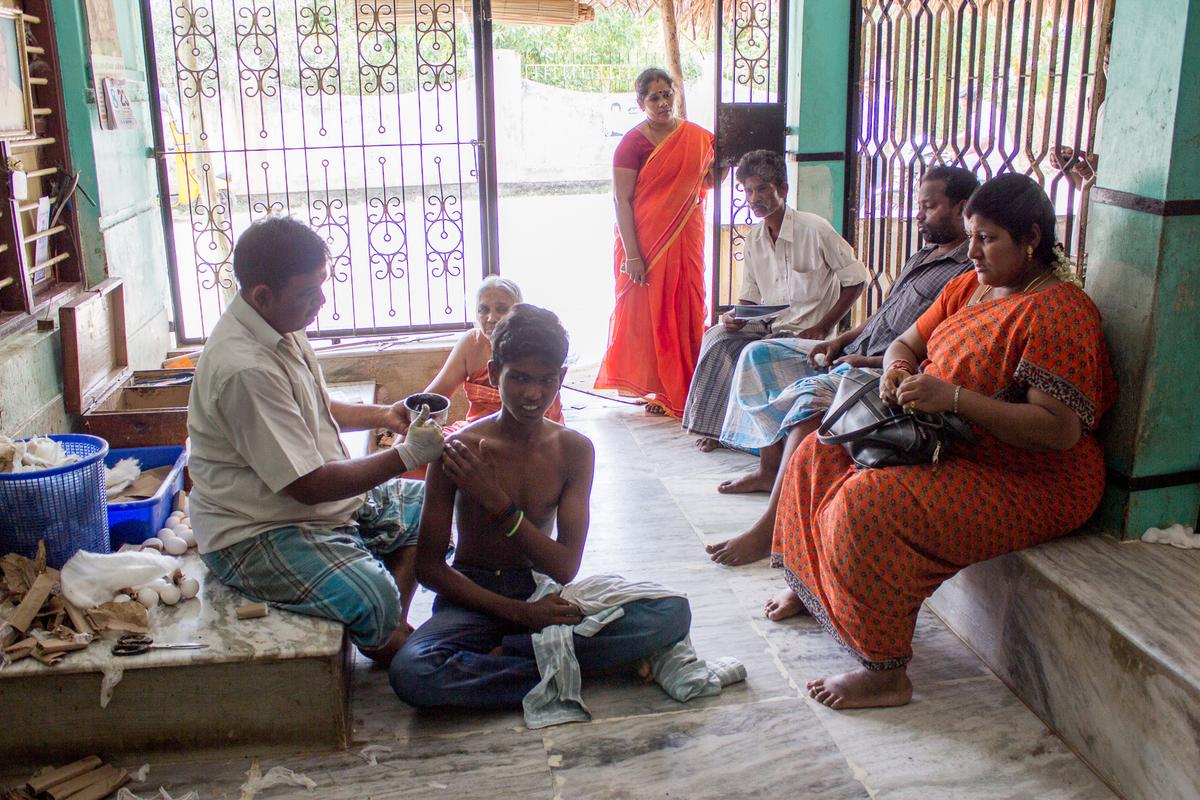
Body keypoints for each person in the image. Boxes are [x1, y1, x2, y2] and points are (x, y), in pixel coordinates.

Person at [767, 173, 1114, 710]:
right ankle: (815, 590)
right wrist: (896, 370)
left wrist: (952, 399)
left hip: (1028, 474)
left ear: (1032, 238)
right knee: (819, 451)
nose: (972, 252)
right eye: (971, 236)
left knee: (866, 506)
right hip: (943, 442)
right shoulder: (971, 286)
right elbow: (906, 342)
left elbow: (1059, 430)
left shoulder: (1059, 311)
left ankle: (885, 672)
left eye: (988, 239)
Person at [390, 305, 693, 708]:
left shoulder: (573, 450)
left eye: (546, 380)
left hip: (538, 591)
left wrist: (497, 502)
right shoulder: (458, 451)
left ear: (561, 378)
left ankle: (513, 658)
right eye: (519, 378)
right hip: (471, 597)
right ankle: (581, 664)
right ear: (494, 373)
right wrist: (519, 615)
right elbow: (430, 567)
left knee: (672, 612)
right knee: (413, 672)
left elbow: (565, 568)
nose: (533, 394)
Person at [188, 217, 445, 665]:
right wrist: (407, 455)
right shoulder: (244, 369)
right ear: (262, 296)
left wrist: (383, 415)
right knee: (373, 593)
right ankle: (389, 634)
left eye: (322, 286)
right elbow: (308, 485)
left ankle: (389, 629)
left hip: (321, 503)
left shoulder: (279, 323)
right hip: (257, 530)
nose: (321, 302)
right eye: (309, 292)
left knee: (432, 505)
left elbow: (316, 404)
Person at [706, 166, 979, 566]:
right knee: (757, 356)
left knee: (810, 404)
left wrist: (862, 356)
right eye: (918, 205)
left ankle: (771, 529)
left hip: (881, 370)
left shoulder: (966, 273)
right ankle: (768, 468)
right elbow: (883, 315)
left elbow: (935, 350)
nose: (918, 215)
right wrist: (839, 339)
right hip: (852, 351)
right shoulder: (923, 255)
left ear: (962, 208)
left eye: (929, 206)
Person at [681, 150, 868, 452]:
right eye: (748, 191)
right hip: (771, 324)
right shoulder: (754, 238)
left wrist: (823, 326)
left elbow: (856, 280)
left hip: (807, 333)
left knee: (752, 351)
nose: (754, 198)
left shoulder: (815, 229)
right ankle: (716, 428)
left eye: (762, 189)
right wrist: (735, 316)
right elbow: (750, 297)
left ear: (783, 189)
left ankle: (752, 437)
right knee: (716, 337)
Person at [594, 68, 714, 417]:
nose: (662, 103)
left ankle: (688, 382)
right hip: (646, 242)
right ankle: (658, 388)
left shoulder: (695, 137)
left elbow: (705, 182)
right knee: (650, 314)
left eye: (667, 95)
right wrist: (633, 255)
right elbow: (621, 200)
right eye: (654, 97)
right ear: (640, 103)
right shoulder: (632, 144)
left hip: (686, 235)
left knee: (687, 302)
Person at [424, 276, 563, 432]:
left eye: (501, 309)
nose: (491, 318)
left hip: (531, 434)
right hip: (476, 432)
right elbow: (432, 399)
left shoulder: (534, 345)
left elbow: (545, 414)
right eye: (483, 310)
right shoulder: (472, 343)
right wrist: (408, 429)